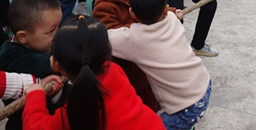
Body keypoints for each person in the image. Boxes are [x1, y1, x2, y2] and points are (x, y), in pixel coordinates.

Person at [23, 16, 164, 130]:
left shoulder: (76, 110)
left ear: (54, 63)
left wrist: (35, 95)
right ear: (108, 53)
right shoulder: (115, 70)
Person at [108, 0, 211, 130]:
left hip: (185, 108)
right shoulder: (172, 19)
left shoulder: (134, 40)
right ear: (165, 8)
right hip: (204, 85)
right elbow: (170, 15)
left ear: (132, 13)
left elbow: (107, 36)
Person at [0, 0, 62, 130]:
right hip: (23, 119)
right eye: (51, 31)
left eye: (58, 27)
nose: (56, 34)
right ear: (23, 36)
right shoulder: (9, 56)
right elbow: (40, 63)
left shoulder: (39, 42)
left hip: (50, 107)